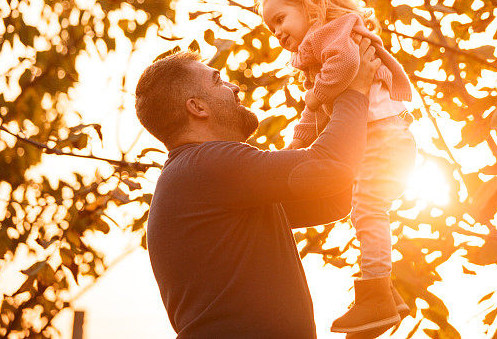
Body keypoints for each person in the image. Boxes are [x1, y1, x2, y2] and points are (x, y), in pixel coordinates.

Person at [135, 38, 380, 339]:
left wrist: (329, 97)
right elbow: (329, 170)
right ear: (197, 107)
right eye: (218, 81)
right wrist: (355, 92)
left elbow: (331, 199)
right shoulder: (206, 165)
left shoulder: (202, 177)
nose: (234, 87)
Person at [260, 0, 416, 335]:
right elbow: (311, 114)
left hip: (384, 136)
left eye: (281, 19)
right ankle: (387, 295)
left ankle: (376, 295)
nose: (278, 32)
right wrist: (296, 146)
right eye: (271, 28)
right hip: (381, 139)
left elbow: (346, 67)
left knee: (368, 209)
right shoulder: (319, 50)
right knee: (365, 212)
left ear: (310, 5)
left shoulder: (335, 31)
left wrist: (314, 96)